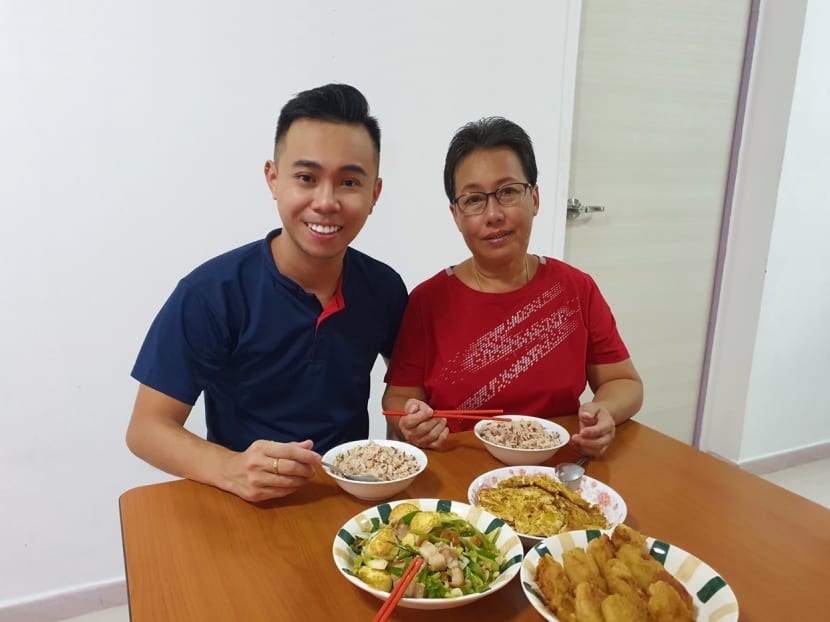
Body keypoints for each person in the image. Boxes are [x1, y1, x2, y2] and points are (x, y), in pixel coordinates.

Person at [127, 83, 407, 502]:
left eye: (349, 181)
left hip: (349, 499)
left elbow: (407, 386)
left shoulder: (384, 288)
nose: (326, 202)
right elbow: (146, 429)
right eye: (306, 178)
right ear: (273, 179)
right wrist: (230, 469)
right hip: (240, 502)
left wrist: (408, 431)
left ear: (374, 194)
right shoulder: (211, 294)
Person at [382, 116, 642, 456]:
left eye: (507, 192)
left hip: (557, 471)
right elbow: (399, 400)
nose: (493, 214)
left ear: (534, 198)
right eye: (474, 199)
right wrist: (412, 423)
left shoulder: (575, 289)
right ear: (456, 215)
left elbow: (624, 382)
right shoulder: (428, 302)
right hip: (460, 473)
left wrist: (605, 411)